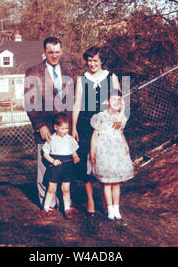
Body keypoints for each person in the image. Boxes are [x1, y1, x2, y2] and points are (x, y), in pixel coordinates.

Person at [24, 37, 77, 211]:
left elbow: (78, 100)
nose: (54, 56)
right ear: (44, 52)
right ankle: (48, 205)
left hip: (65, 128)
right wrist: (40, 125)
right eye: (50, 52)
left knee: (66, 164)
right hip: (45, 126)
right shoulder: (33, 71)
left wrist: (73, 126)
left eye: (57, 52)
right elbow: (30, 102)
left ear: (61, 51)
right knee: (45, 166)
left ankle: (65, 203)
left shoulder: (71, 70)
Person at [72, 46, 123, 217]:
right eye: (89, 60)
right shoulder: (81, 79)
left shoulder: (111, 77)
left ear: (101, 61)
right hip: (85, 125)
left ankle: (106, 201)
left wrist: (120, 117)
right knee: (87, 162)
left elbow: (120, 100)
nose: (92, 63)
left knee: (105, 161)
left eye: (95, 60)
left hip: (106, 124)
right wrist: (73, 128)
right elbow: (77, 104)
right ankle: (90, 201)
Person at [89, 90, 134, 221]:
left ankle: (116, 208)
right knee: (107, 183)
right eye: (114, 100)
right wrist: (92, 151)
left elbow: (120, 133)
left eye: (119, 101)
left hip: (117, 152)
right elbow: (95, 135)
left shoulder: (121, 118)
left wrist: (126, 144)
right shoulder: (100, 116)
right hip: (104, 152)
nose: (117, 103)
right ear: (107, 102)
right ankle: (109, 209)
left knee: (116, 183)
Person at [41, 113, 80, 219]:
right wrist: (53, 161)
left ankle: (67, 209)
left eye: (67, 128)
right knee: (51, 188)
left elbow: (73, 152)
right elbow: (45, 153)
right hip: (55, 167)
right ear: (56, 127)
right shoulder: (51, 139)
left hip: (67, 167)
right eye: (62, 129)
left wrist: (75, 157)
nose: (65, 130)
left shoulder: (70, 139)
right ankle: (46, 208)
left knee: (66, 188)